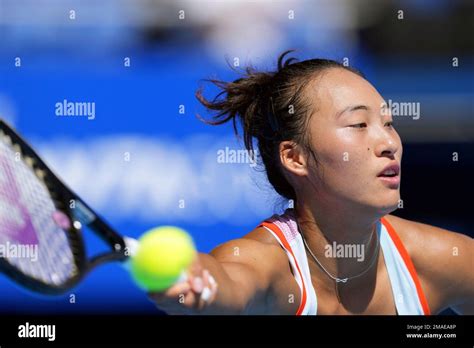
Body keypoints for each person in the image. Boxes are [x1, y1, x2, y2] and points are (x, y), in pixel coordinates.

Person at [149, 51, 473, 315]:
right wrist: (197, 279)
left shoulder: (444, 257)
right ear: (295, 158)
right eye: (358, 124)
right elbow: (229, 281)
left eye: (389, 123)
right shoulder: (268, 264)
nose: (388, 142)